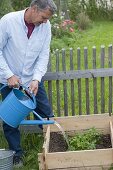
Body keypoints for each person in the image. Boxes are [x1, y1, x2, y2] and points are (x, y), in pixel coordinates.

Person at [0, 0, 57, 167]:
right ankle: (16, 153)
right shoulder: (8, 21)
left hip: (32, 80)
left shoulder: (46, 27)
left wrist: (37, 78)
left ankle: (53, 148)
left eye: (47, 19)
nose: (45, 21)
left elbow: (44, 54)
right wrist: (9, 75)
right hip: (10, 80)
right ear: (33, 9)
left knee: (46, 114)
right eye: (43, 17)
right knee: (11, 120)